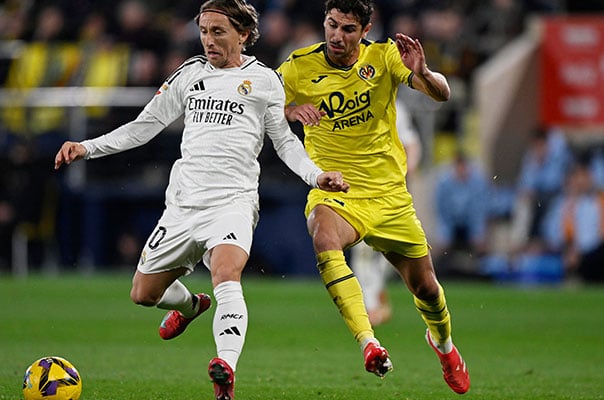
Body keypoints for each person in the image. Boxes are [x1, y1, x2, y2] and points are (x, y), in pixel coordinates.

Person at [54, 1, 348, 399]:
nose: (208, 40)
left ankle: (225, 366)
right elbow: (145, 126)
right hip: (184, 202)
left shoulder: (263, 80)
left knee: (227, 272)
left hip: (233, 199)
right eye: (204, 31)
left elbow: (283, 142)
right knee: (143, 294)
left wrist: (316, 175)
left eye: (218, 31)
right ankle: (192, 306)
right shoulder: (189, 74)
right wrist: (87, 147)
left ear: (243, 34)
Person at [276, 0, 470, 394]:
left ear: (365, 30)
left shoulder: (384, 57)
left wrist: (424, 73)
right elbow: (258, 105)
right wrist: (290, 110)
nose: (336, 36)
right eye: (331, 25)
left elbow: (443, 94)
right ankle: (369, 343)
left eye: (348, 29)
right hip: (337, 190)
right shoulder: (297, 66)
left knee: (427, 288)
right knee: (324, 237)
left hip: (389, 195)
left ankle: (444, 344)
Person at [350, 98, 422, 325]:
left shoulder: (395, 106)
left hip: (390, 190)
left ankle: (375, 294)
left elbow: (411, 142)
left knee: (390, 248)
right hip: (363, 188)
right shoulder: (355, 100)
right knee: (362, 248)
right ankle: (370, 304)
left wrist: (407, 171)